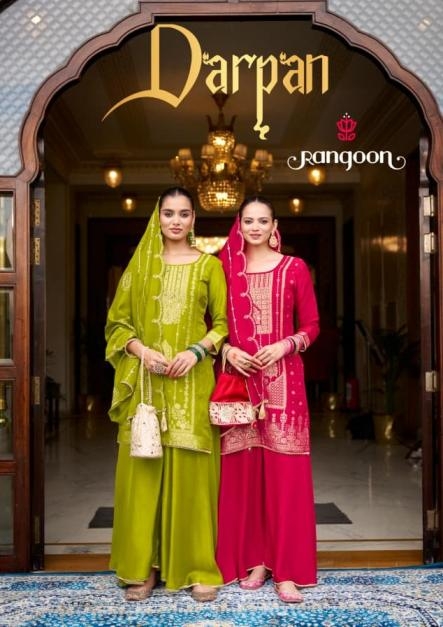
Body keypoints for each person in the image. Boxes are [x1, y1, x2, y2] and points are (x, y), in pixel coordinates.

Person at [105, 186, 228, 602]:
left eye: (184, 213)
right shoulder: (141, 266)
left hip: (192, 384)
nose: (176, 221)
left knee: (192, 479)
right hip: (147, 385)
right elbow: (117, 325)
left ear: (194, 219)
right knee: (143, 475)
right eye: (169, 213)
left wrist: (196, 352)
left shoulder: (210, 266)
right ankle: (144, 568)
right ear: (157, 217)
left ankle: (195, 566)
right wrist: (142, 351)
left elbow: (223, 325)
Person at [216, 196, 319, 603]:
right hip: (239, 383)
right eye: (249, 221)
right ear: (238, 225)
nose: (255, 227)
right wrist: (227, 350)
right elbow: (210, 325)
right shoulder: (225, 270)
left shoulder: (294, 268)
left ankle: (287, 570)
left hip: (284, 383)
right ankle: (255, 561)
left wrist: (284, 346)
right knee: (244, 475)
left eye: (263, 221)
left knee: (285, 476)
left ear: (274, 225)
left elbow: (312, 325)